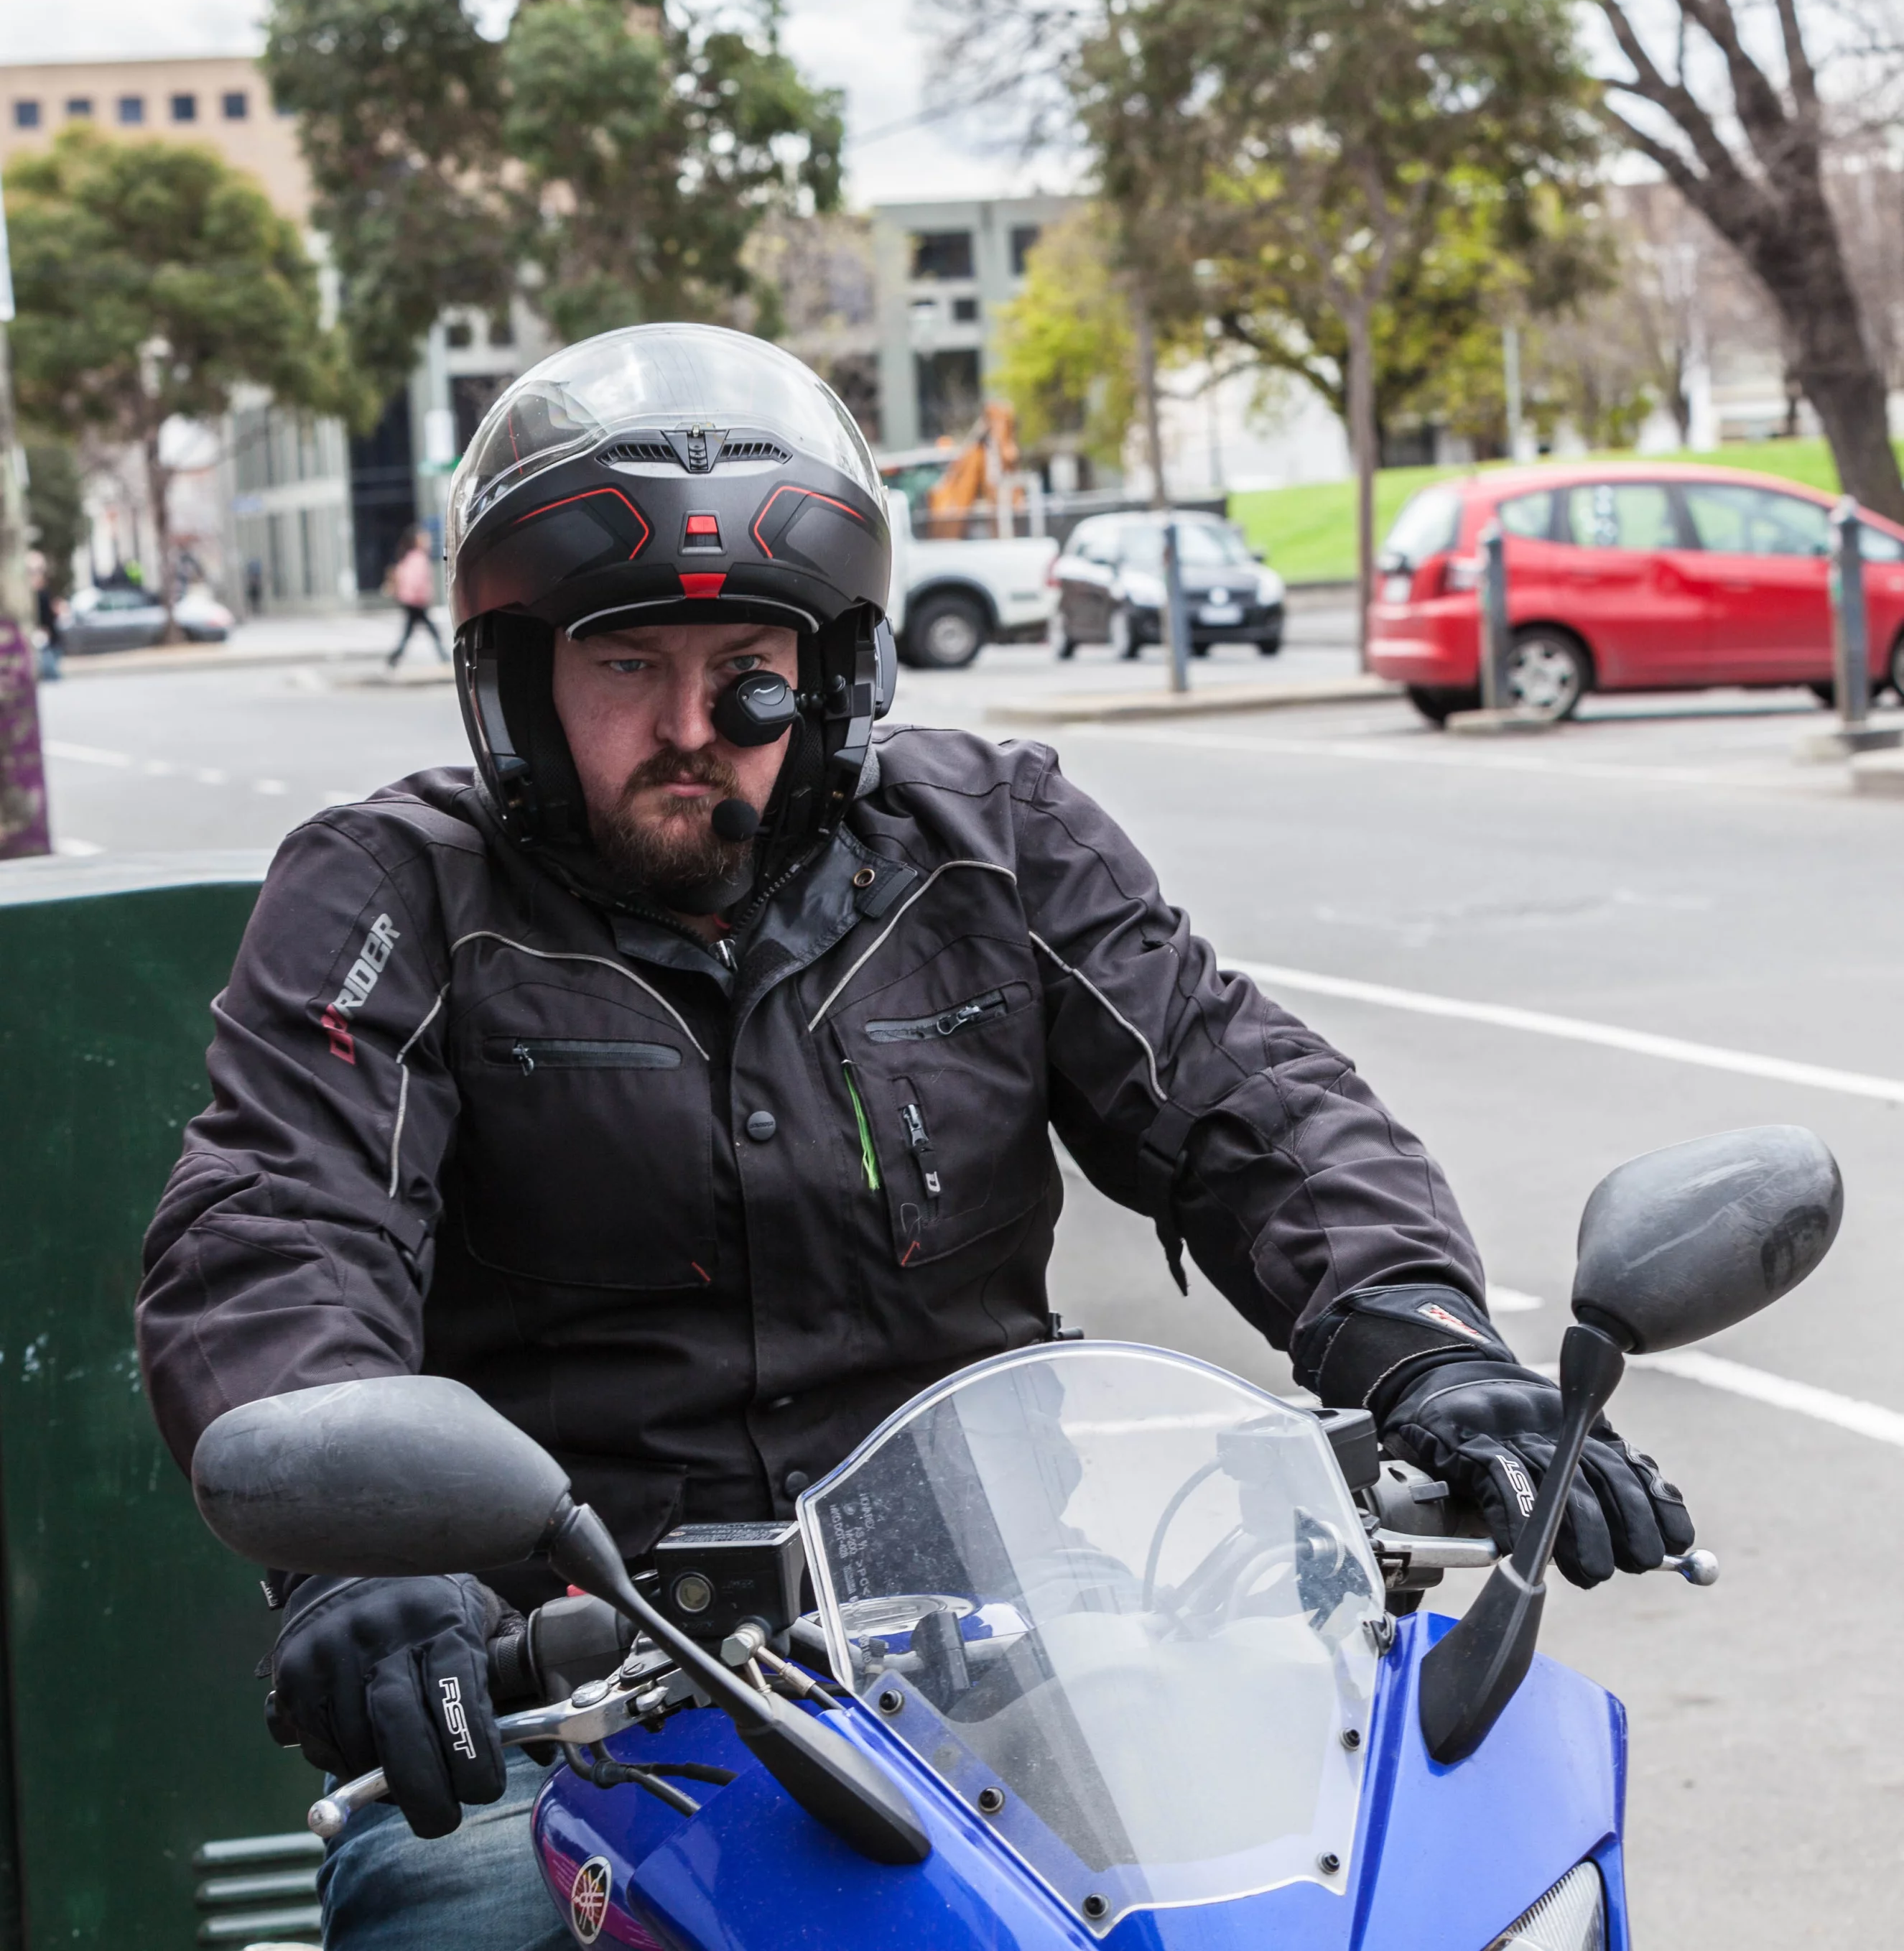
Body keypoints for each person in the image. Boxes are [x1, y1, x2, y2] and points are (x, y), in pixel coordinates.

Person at [136, 326, 1691, 1950]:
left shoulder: (990, 842)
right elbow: (279, 1224)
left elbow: (1239, 1093)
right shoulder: (396, 891)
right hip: (579, 1688)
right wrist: (361, 1562)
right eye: (625, 665)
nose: (693, 723)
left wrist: (1426, 1341)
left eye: (745, 664)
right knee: (451, 1914)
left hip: (1004, 1641)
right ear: (522, 682)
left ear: (830, 674)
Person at [384, 527, 447, 667]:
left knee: (410, 632)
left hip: (410, 600)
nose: (428, 541)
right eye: (424, 539)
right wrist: (423, 598)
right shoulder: (418, 558)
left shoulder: (410, 557)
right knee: (428, 630)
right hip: (416, 601)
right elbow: (417, 582)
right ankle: (444, 656)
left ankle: (394, 658)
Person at [28, 552, 62, 682]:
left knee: (52, 675)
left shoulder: (44, 589)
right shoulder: (30, 592)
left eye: (40, 570)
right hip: (39, 638)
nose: (37, 574)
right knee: (50, 674)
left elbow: (48, 612)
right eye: (32, 571)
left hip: (50, 637)